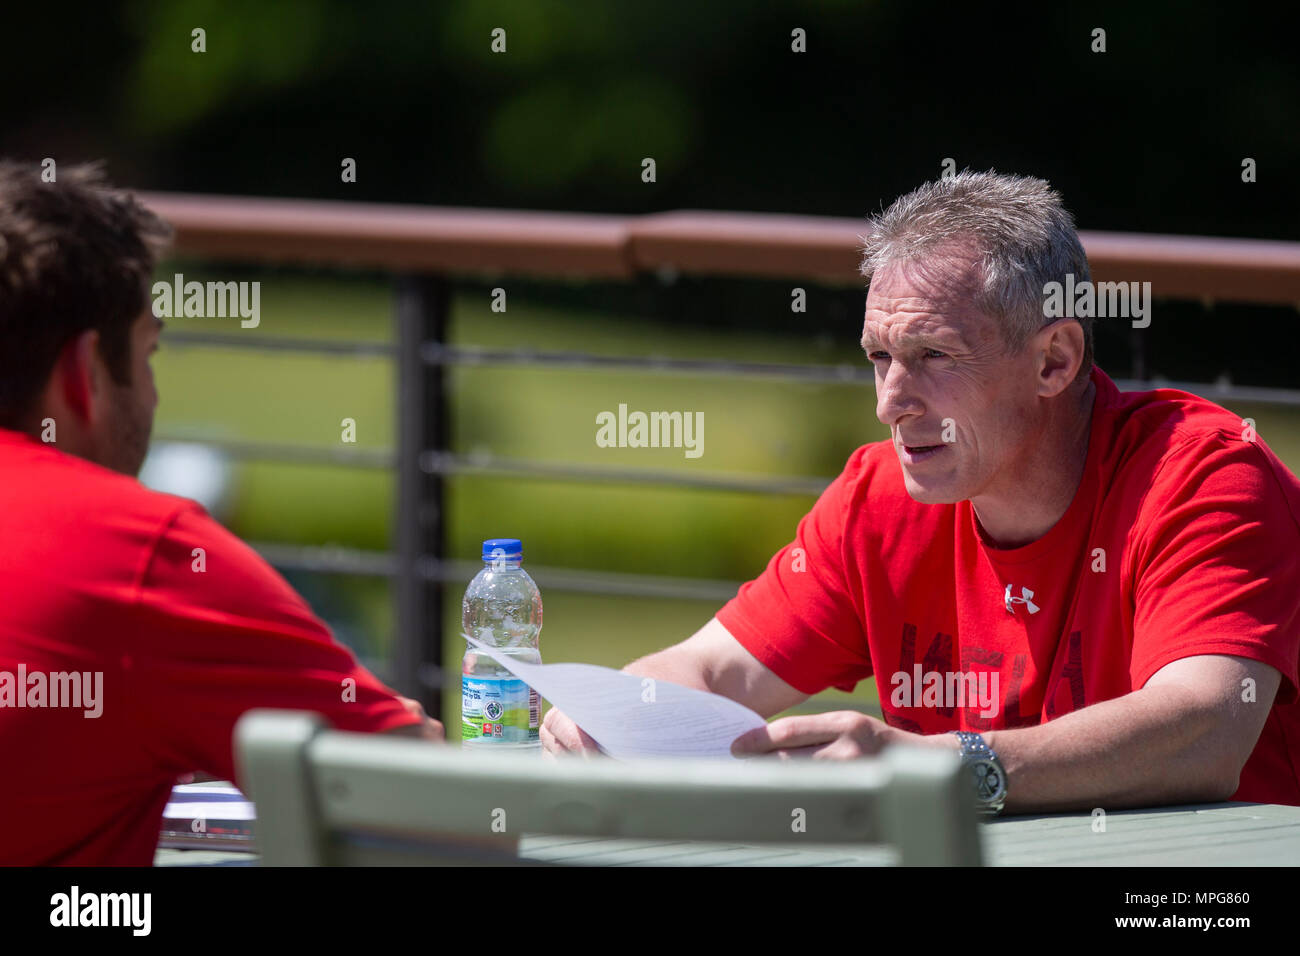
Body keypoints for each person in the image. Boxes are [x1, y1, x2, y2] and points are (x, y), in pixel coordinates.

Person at [544, 170, 1300, 814]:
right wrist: (615, 717)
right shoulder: (880, 497)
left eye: (933, 355)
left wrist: (944, 769)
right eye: (880, 357)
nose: (890, 403)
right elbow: (711, 670)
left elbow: (1206, 728)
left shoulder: (1203, 473)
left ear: (1054, 360)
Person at [0, 160, 444, 866]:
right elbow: (437, 808)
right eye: (147, 355)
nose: (151, 394)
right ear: (83, 376)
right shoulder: (139, 552)